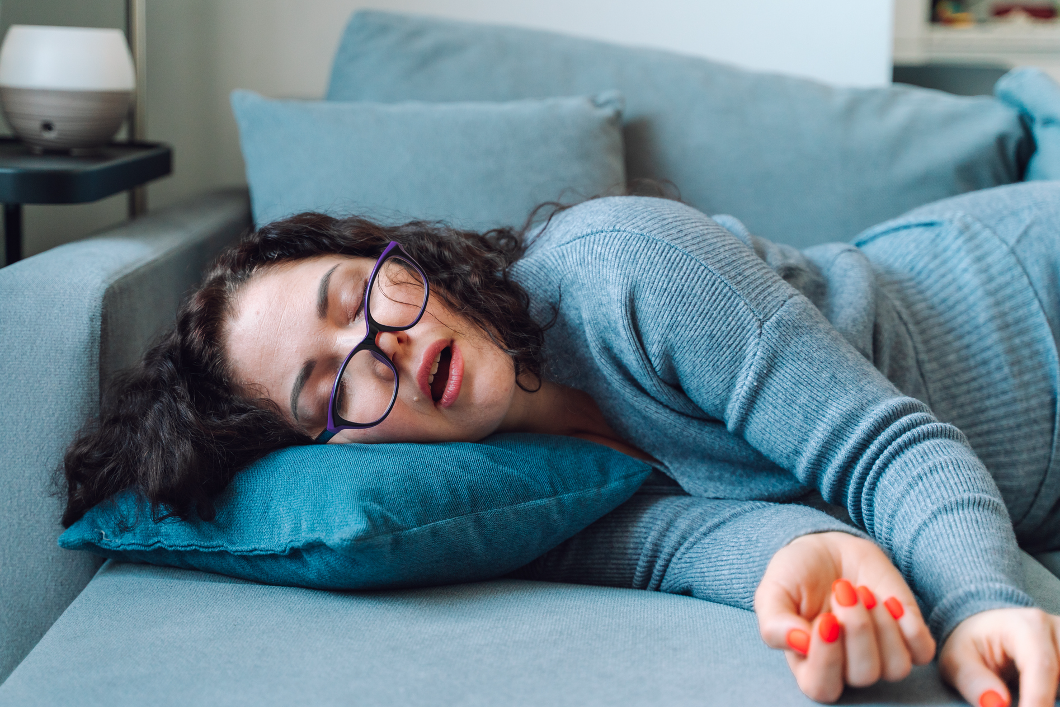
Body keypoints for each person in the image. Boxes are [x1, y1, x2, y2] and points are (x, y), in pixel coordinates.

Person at [60, 181, 1060, 707]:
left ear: (397, 259)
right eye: (334, 382)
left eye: (360, 294)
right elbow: (676, 544)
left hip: (1028, 298)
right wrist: (804, 560)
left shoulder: (625, 266)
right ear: (330, 448)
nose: (385, 346)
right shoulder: (505, 494)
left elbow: (886, 452)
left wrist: (976, 598)